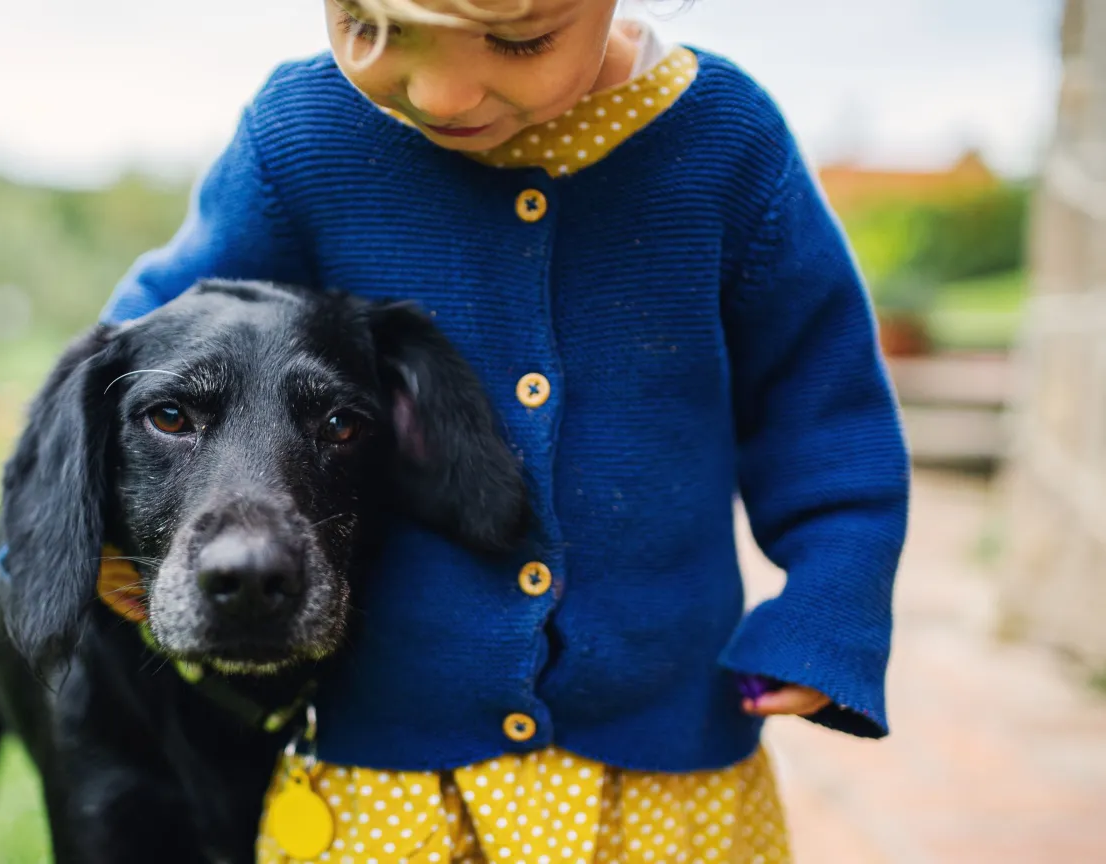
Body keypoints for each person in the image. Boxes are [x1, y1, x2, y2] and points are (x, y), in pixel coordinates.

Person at [101, 1, 910, 861]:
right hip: (391, 757)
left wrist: (832, 603)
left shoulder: (727, 147)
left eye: (519, 40)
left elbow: (823, 402)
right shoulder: (304, 138)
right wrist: (97, 534)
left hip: (662, 759)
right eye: (376, 28)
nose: (444, 94)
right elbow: (139, 351)